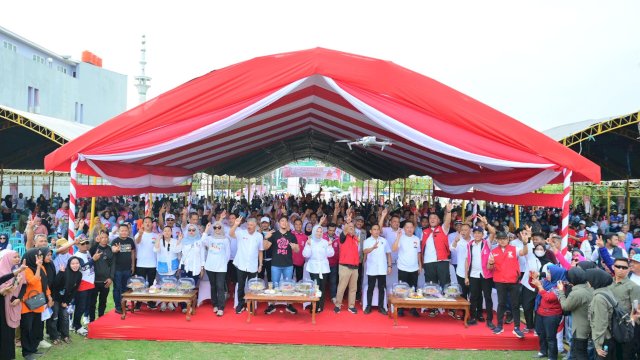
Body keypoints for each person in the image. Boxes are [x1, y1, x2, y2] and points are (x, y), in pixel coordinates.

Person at [487, 229, 529, 338]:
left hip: (513, 281)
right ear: (497, 240)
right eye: (500, 239)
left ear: (508, 239)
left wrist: (525, 243)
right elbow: (489, 267)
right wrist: (491, 263)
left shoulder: (514, 249)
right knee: (501, 304)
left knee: (515, 304)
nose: (502, 241)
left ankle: (517, 327)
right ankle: (499, 326)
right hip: (500, 281)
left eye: (504, 239)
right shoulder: (493, 251)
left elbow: (524, 252)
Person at [420, 204, 453, 316]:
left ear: (439, 220)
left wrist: (448, 212)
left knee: (445, 284)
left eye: (435, 218)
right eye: (430, 218)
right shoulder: (424, 232)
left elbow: (447, 222)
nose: (432, 220)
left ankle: (449, 307)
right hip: (428, 262)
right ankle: (433, 307)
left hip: (442, 261)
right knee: (431, 285)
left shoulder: (443, 229)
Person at [19, 248, 52, 360]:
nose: (40, 258)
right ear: (31, 257)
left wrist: (49, 296)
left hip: (38, 301)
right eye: (38, 256)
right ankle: (27, 352)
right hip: (27, 304)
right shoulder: (25, 269)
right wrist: (38, 267)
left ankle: (33, 349)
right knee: (27, 328)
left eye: (41, 256)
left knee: (36, 328)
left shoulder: (41, 267)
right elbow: (33, 281)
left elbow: (45, 283)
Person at [263, 215, 299, 315]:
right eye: (282, 221)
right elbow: (265, 247)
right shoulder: (274, 234)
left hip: (288, 265)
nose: (284, 222)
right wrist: (266, 237)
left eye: (285, 221)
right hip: (276, 264)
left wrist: (295, 247)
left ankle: (289, 305)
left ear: (287, 223)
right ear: (278, 223)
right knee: (275, 285)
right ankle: (272, 305)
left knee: (288, 286)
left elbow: (297, 250)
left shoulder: (292, 235)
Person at [530, 265, 566, 360]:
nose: (547, 274)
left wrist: (539, 286)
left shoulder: (560, 286)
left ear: (556, 275)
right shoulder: (546, 281)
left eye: (549, 273)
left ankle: (552, 356)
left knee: (550, 337)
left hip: (552, 315)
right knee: (541, 333)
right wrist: (532, 277)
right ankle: (543, 351)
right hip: (540, 312)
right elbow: (533, 284)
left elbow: (549, 298)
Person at [607, 257, 640, 359]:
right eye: (618, 266)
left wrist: (630, 324)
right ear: (613, 267)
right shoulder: (608, 283)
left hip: (626, 326)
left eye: (624, 267)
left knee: (626, 355)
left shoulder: (633, 286)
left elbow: (636, 309)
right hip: (609, 325)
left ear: (628, 269)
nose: (621, 269)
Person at [558, 267, 593, 360]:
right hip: (590, 326)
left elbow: (565, 306)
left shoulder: (577, 293)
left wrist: (561, 291)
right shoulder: (589, 288)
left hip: (580, 329)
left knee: (580, 354)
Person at [230, 217, 264, 314]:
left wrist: (260, 264)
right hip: (241, 264)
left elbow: (260, 251)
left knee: (252, 286)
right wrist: (236, 224)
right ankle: (240, 304)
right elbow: (231, 234)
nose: (249, 227)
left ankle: (251, 305)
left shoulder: (259, 236)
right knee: (241, 285)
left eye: (251, 225)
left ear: (255, 226)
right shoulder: (241, 233)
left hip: (253, 265)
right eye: (248, 225)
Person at [465, 226, 495, 328]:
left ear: (483, 235)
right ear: (473, 234)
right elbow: (467, 260)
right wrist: (466, 276)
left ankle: (489, 320)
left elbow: (493, 232)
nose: (477, 235)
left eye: (479, 233)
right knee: (473, 297)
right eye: (475, 233)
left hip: (486, 275)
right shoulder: (469, 245)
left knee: (487, 297)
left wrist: (486, 224)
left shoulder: (487, 243)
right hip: (473, 274)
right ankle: (473, 317)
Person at [0, 250, 26, 360]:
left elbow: (23, 285)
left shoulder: (20, 270)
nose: (17, 258)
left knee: (9, 333)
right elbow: (2, 282)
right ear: (7, 259)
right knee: (3, 332)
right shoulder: (1, 270)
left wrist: (19, 298)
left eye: (18, 256)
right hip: (2, 305)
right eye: (14, 257)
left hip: (12, 304)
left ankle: (9, 355)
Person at [49, 256, 82, 345]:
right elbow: (55, 284)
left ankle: (65, 335)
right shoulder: (64, 271)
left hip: (65, 300)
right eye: (73, 263)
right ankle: (54, 336)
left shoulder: (79, 274)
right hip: (55, 297)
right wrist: (60, 272)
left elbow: (74, 290)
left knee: (65, 317)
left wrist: (66, 302)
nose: (75, 265)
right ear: (69, 264)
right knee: (54, 317)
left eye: (77, 263)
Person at [393, 220, 422, 317]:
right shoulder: (401, 238)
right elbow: (394, 249)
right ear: (404, 229)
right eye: (407, 227)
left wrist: (420, 265)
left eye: (411, 227)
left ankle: (413, 308)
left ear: (414, 228)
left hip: (414, 268)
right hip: (403, 267)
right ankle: (400, 308)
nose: (409, 229)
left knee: (413, 289)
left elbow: (418, 253)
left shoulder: (417, 239)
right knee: (401, 289)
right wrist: (398, 237)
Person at [302, 224, 334, 313]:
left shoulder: (325, 242)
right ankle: (314, 306)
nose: (319, 233)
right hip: (313, 267)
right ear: (314, 232)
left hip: (323, 267)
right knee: (315, 287)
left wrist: (330, 246)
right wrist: (308, 245)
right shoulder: (310, 241)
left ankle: (320, 306)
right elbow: (305, 255)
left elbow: (330, 254)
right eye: (317, 231)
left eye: (320, 232)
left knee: (322, 287)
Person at [586, 268, 616, 359]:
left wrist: (598, 346)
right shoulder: (606, 291)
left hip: (604, 340)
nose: (587, 282)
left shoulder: (599, 298)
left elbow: (600, 323)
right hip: (610, 337)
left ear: (595, 280)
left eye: (588, 279)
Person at [202, 221, 230, 316]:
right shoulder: (209, 238)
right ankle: (215, 304)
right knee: (213, 286)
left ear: (222, 228)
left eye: (219, 227)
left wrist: (222, 262)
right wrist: (206, 229)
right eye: (215, 228)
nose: (217, 229)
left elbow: (228, 254)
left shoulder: (225, 240)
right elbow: (202, 241)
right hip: (210, 266)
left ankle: (221, 307)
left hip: (221, 267)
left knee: (220, 287)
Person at [72, 238, 99, 335]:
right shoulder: (77, 256)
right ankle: (76, 325)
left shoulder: (87, 252)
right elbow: (82, 267)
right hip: (83, 283)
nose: (86, 245)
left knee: (87, 305)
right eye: (83, 244)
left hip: (90, 283)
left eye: (87, 243)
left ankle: (77, 324)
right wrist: (93, 260)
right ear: (78, 245)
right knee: (81, 306)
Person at [363, 224, 391, 315]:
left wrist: (389, 266)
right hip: (372, 268)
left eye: (378, 229)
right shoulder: (367, 241)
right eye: (374, 229)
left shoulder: (384, 241)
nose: (376, 231)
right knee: (370, 288)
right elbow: (365, 251)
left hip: (382, 268)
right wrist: (372, 248)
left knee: (381, 288)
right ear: (370, 231)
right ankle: (368, 306)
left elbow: (388, 254)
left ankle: (381, 307)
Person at [334, 212, 359, 314]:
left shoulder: (356, 238)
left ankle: (351, 306)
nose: (351, 228)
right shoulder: (342, 237)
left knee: (353, 288)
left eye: (353, 227)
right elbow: (345, 230)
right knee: (341, 287)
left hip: (355, 267)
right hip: (344, 266)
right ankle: (338, 305)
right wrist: (348, 222)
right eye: (349, 227)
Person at [154, 226, 183, 312]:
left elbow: (177, 251)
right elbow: (156, 250)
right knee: (163, 285)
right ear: (163, 232)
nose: (167, 232)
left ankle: (170, 302)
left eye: (169, 231)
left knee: (172, 285)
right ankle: (163, 302)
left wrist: (179, 240)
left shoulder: (174, 241)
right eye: (165, 231)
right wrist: (157, 240)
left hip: (173, 267)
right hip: (163, 267)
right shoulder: (159, 241)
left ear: (171, 232)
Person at [110, 224, 136, 314]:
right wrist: (116, 249)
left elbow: (132, 253)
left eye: (125, 230)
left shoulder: (130, 241)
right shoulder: (115, 241)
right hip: (117, 270)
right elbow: (113, 249)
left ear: (128, 231)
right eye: (122, 230)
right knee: (117, 288)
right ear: (118, 231)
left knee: (125, 288)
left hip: (127, 269)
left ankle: (123, 305)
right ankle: (118, 306)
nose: (124, 232)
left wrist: (133, 265)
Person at [134, 217, 158, 310]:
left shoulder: (156, 236)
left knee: (151, 284)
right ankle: (138, 302)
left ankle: (150, 302)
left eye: (149, 222)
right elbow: (137, 241)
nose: (148, 224)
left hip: (152, 264)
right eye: (146, 222)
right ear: (143, 224)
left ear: (152, 224)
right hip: (141, 264)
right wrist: (140, 234)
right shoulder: (138, 234)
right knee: (140, 285)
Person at [89, 231, 114, 321]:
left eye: (106, 237)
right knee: (92, 302)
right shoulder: (94, 248)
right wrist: (96, 243)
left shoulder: (110, 250)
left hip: (105, 281)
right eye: (102, 237)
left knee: (103, 301)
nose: (104, 239)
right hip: (94, 281)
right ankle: (91, 319)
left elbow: (112, 265)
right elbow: (90, 256)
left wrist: (111, 278)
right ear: (99, 238)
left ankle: (101, 318)